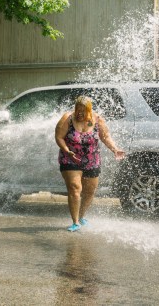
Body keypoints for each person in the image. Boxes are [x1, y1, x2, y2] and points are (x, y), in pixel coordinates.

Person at [55, 95, 125, 232]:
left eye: (83, 111)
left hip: (92, 159)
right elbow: (59, 137)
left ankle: (81, 217)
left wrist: (115, 149)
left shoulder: (97, 120)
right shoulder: (67, 118)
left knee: (89, 191)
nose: (79, 114)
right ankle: (75, 222)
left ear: (89, 110)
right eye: (77, 110)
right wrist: (66, 150)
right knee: (75, 187)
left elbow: (105, 137)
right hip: (70, 157)